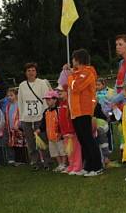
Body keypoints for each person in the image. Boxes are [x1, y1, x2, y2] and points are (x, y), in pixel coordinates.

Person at [66, 49, 102, 177]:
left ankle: (97, 166)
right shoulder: (75, 74)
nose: (72, 62)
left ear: (78, 59)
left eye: (73, 59)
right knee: (82, 140)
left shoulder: (87, 72)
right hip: (76, 112)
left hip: (84, 110)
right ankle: (88, 166)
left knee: (88, 139)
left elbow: (76, 87)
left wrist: (70, 77)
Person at [17, 63, 53, 171]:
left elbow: (46, 99)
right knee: (30, 142)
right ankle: (35, 161)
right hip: (27, 117)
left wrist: (46, 114)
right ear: (25, 73)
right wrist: (21, 117)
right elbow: (20, 102)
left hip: (40, 116)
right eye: (29, 70)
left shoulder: (42, 83)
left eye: (33, 70)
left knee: (42, 140)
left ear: (36, 72)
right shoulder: (22, 85)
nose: (31, 72)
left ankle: (47, 161)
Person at [38, 90, 68, 172]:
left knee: (62, 150)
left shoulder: (58, 110)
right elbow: (43, 123)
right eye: (46, 100)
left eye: (49, 99)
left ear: (55, 100)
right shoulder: (46, 111)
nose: (47, 101)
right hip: (50, 136)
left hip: (59, 136)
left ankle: (64, 164)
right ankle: (60, 164)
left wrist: (61, 133)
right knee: (54, 152)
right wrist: (39, 129)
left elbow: (62, 122)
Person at [4, 88, 25, 165]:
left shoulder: (20, 105)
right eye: (8, 96)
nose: (9, 97)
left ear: (16, 95)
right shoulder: (8, 106)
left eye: (11, 95)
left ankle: (22, 160)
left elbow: (21, 116)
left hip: (19, 128)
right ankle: (17, 159)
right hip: (11, 129)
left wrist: (18, 124)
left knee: (20, 145)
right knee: (14, 145)